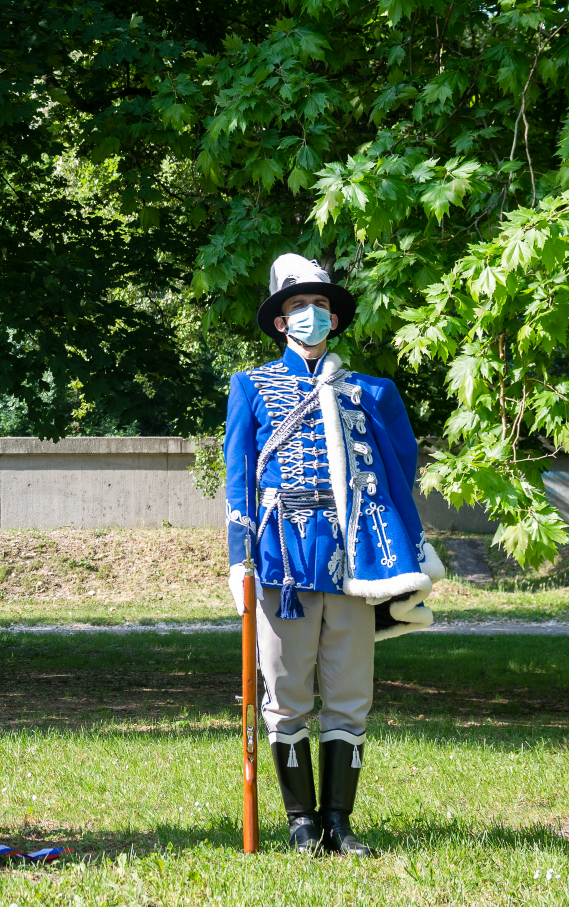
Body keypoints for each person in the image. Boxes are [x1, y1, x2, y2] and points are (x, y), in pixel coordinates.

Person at [224, 254, 445, 856]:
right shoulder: (250, 387)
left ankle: (339, 824)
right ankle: (300, 824)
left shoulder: (374, 392)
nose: (310, 317)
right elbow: (239, 477)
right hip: (281, 559)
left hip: (355, 558)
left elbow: (400, 470)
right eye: (298, 308)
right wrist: (238, 560)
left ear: (335, 319)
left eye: (319, 307)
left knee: (349, 693)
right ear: (279, 322)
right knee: (287, 691)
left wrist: (400, 547)